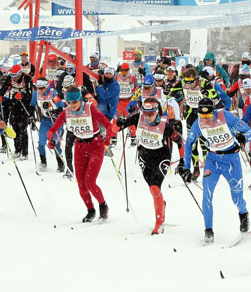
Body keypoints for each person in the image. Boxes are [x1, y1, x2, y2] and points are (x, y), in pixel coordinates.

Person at [182, 98, 251, 244]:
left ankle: (243, 213)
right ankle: (208, 230)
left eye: (208, 116)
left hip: (231, 160)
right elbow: (189, 144)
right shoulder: (198, 123)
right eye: (202, 116)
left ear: (213, 111)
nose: (205, 120)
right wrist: (186, 167)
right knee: (206, 194)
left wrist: (242, 137)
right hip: (212, 160)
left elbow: (250, 132)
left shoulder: (225, 116)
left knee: (237, 198)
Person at [116, 97, 184, 235]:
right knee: (153, 189)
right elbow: (118, 128)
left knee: (154, 187)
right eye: (145, 113)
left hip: (161, 157)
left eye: (151, 113)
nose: (148, 116)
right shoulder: (138, 118)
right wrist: (118, 123)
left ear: (157, 112)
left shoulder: (165, 125)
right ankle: (161, 204)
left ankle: (159, 222)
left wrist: (183, 160)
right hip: (144, 156)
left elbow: (180, 142)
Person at [47, 87, 115, 222]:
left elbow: (108, 125)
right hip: (79, 147)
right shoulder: (67, 112)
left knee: (90, 182)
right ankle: (90, 210)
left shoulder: (90, 109)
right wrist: (50, 139)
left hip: (95, 146)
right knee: (81, 184)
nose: (71, 106)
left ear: (80, 100)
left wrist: (107, 138)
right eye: (69, 102)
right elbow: (53, 129)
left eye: (74, 102)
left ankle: (103, 205)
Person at [31, 77, 67, 175]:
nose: (40, 90)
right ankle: (43, 162)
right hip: (46, 120)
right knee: (41, 142)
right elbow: (32, 105)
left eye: (42, 88)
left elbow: (61, 108)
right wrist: (30, 115)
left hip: (56, 120)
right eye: (38, 88)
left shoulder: (53, 93)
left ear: (47, 86)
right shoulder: (36, 94)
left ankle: (60, 163)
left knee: (55, 142)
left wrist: (52, 109)